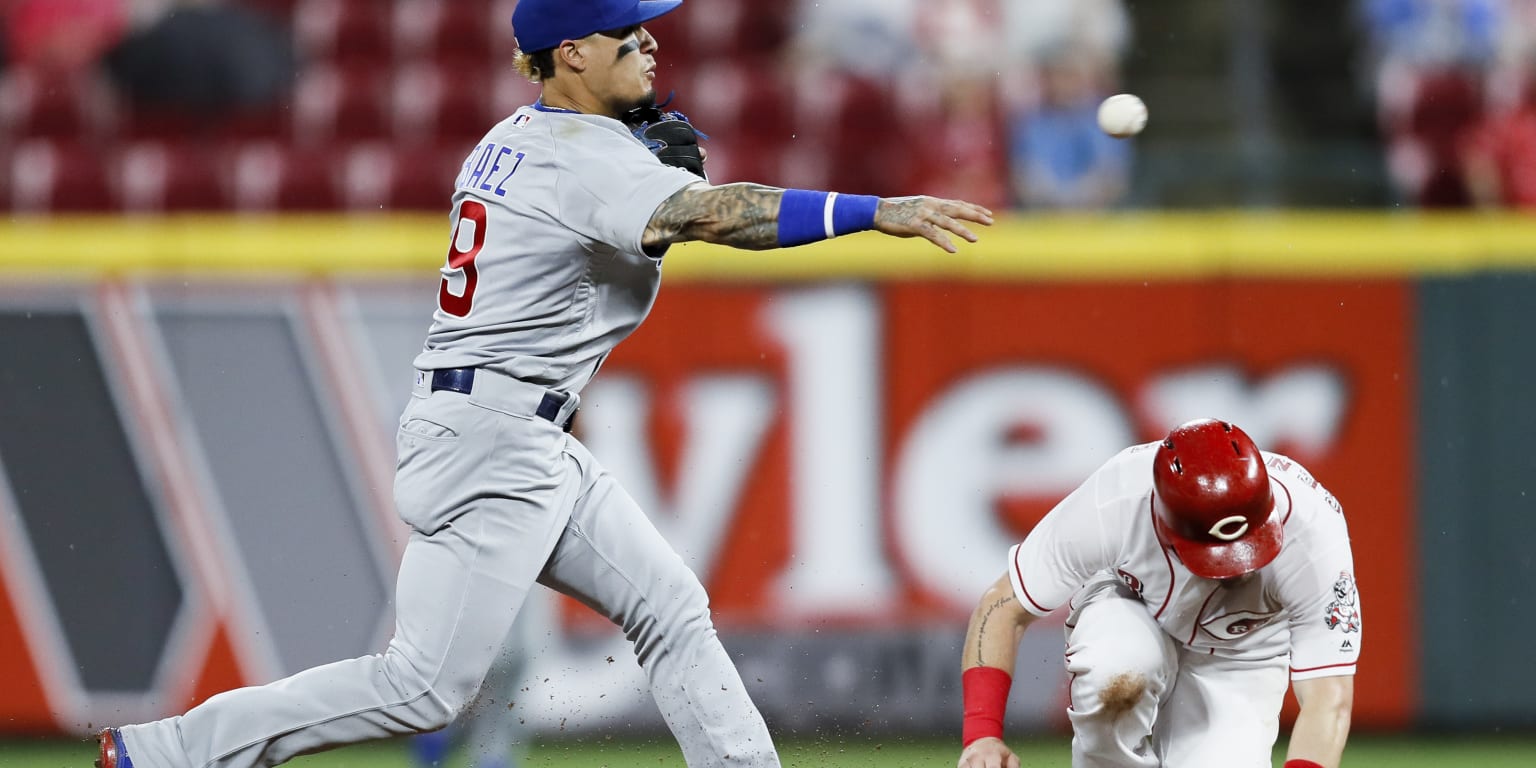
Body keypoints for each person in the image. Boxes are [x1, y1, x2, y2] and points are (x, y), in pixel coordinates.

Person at [95, 1, 992, 767]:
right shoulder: (580, 158)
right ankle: (168, 752)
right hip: (496, 439)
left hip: (504, 427)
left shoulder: (517, 138)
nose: (650, 45)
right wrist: (876, 211)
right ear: (572, 52)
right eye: (627, 33)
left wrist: (642, 167)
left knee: (671, 607)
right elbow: (716, 216)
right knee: (424, 688)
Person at [957, 419, 1359, 768]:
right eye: (1214, 554)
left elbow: (1329, 698)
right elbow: (1003, 606)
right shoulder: (1117, 499)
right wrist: (981, 734)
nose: (1233, 567)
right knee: (1115, 670)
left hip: (1244, 649)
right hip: (1130, 604)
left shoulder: (1312, 533)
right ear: (1163, 519)